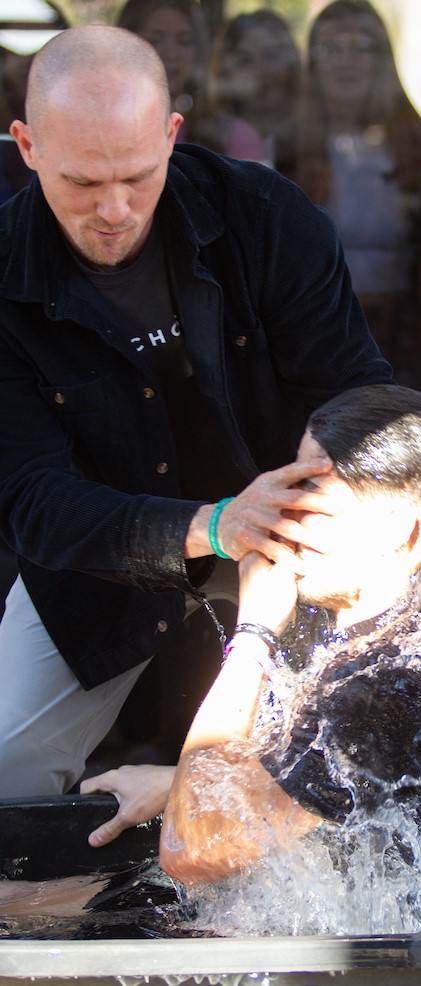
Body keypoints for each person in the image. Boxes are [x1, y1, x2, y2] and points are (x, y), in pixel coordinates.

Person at [0, 24, 394, 800]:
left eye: (138, 176)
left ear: (172, 134)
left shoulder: (266, 217)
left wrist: (338, 493)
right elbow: (31, 503)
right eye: (82, 182)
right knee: (4, 774)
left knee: (368, 764)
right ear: (26, 145)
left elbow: (356, 394)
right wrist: (214, 524)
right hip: (100, 557)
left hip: (291, 529)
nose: (113, 209)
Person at [85, 385, 421, 885]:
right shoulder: (417, 633)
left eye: (309, 488)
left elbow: (191, 849)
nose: (276, 508)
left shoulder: (387, 687)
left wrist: (253, 634)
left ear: (396, 530)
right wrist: (175, 781)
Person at [295, 0, 421, 398]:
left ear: (383, 58)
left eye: (361, 46)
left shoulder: (419, 145)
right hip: (313, 333)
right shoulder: (287, 148)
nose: (345, 61)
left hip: (402, 335)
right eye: (331, 48)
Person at [117, 0, 263, 161]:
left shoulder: (236, 137)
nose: (171, 53)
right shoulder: (108, 127)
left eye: (185, 41)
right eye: (155, 39)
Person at [215, 10, 301, 177]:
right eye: (244, 61)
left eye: (270, 56)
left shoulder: (308, 136)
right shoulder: (212, 136)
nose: (260, 71)